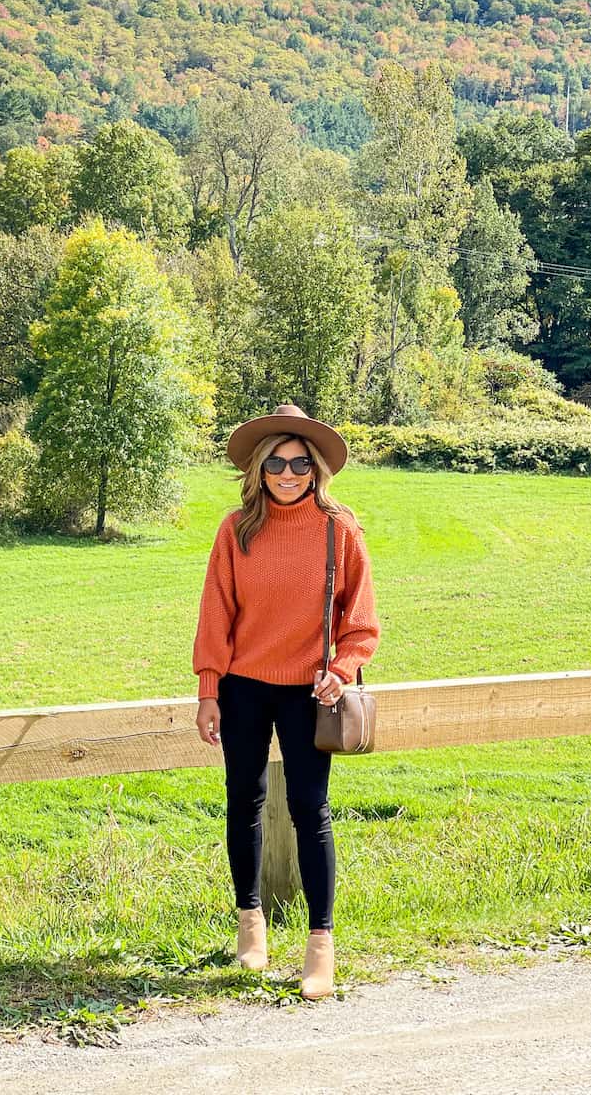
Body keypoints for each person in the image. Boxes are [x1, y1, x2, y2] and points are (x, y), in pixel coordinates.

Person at [192, 403, 381, 1000]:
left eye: (301, 463)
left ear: (317, 467)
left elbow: (362, 622)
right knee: (241, 801)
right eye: (276, 462)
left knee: (309, 809)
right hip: (242, 687)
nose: (289, 473)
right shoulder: (235, 529)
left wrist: (342, 668)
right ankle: (251, 924)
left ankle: (320, 945)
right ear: (259, 467)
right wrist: (207, 689)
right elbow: (215, 614)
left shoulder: (340, 528)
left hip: (309, 692)